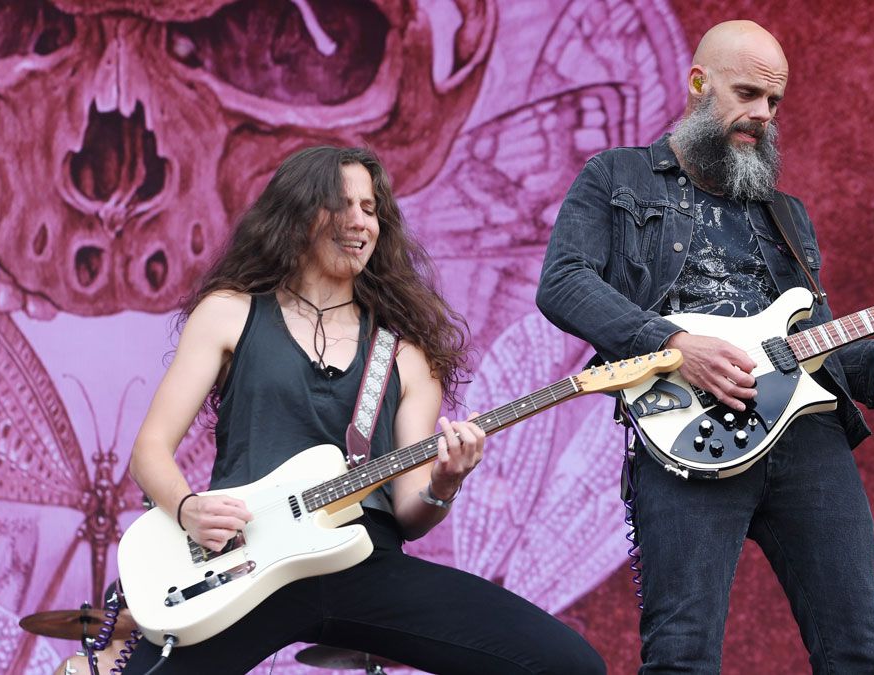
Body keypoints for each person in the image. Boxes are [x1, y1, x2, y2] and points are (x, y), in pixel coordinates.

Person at [536, 20, 874, 674]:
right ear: (698, 84)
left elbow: (810, 354)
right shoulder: (616, 177)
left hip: (807, 436)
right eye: (748, 95)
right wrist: (676, 343)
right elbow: (563, 283)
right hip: (685, 438)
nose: (762, 115)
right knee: (682, 657)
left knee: (861, 653)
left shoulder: (785, 215)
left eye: (775, 103)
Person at [124, 146, 605, 674]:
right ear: (298, 213)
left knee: (568, 664)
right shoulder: (229, 313)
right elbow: (150, 450)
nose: (360, 222)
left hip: (366, 562)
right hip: (241, 559)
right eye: (342, 204)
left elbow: (410, 515)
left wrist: (444, 484)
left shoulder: (404, 351)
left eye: (370, 208)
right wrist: (189, 509)